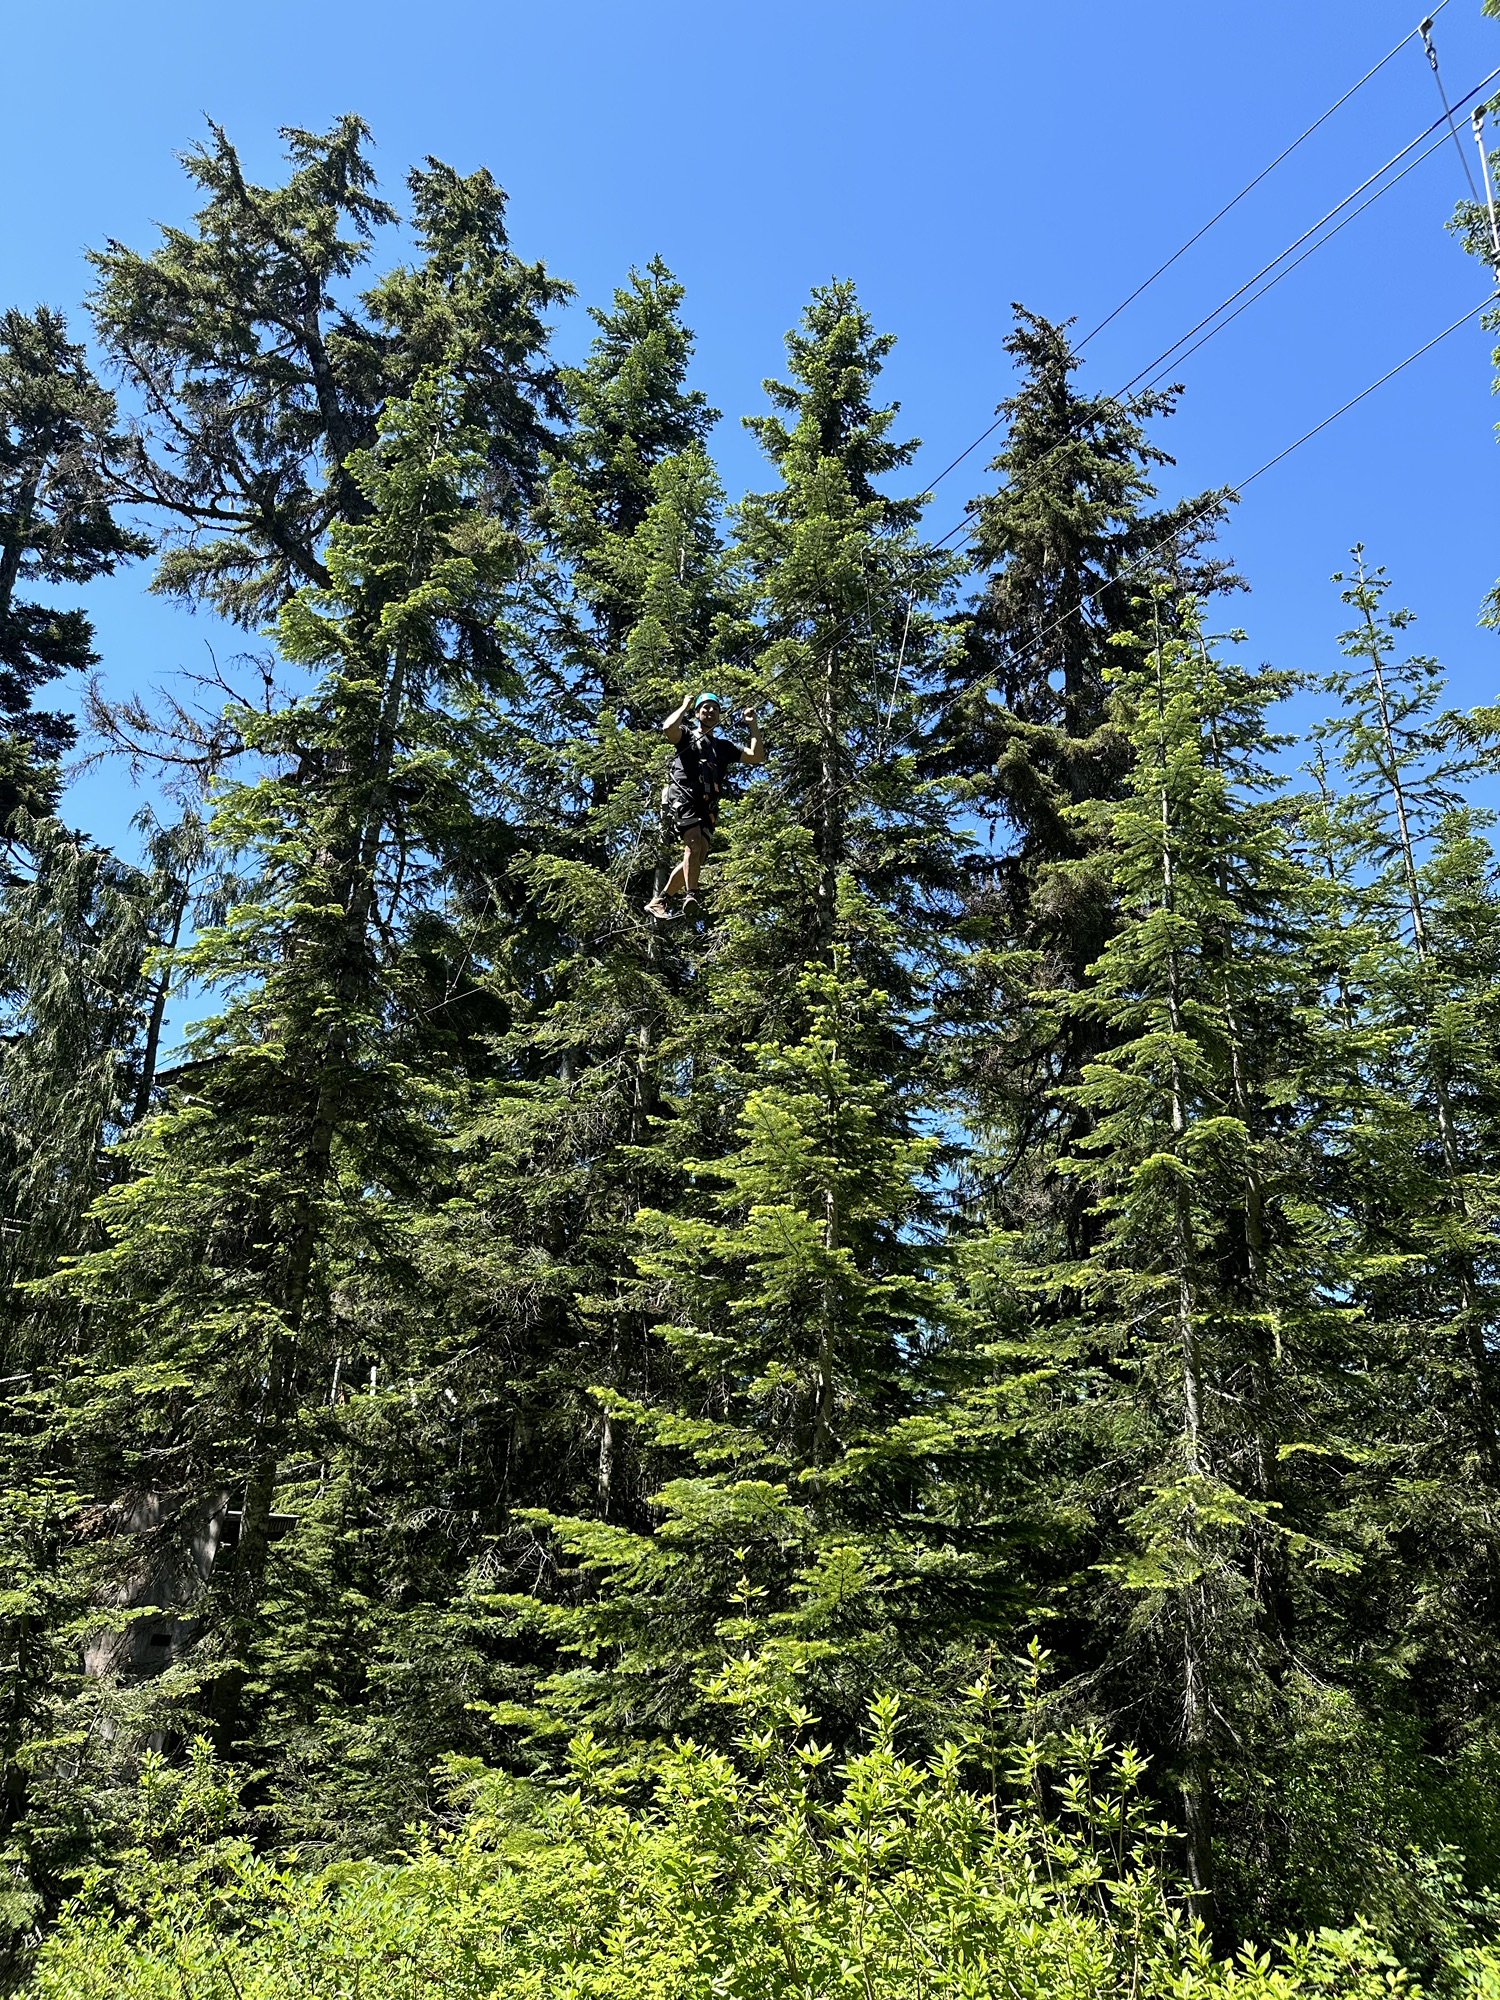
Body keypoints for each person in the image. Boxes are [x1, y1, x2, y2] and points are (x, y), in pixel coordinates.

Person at [644, 691, 765, 919]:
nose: (710, 712)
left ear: (719, 715)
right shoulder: (688, 737)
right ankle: (692, 894)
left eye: (715, 709)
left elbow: (756, 756)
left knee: (697, 857)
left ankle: (661, 899)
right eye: (705, 708)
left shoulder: (723, 746)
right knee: (693, 845)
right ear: (698, 713)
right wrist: (683, 706)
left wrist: (753, 725)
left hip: (707, 806)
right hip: (684, 797)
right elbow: (668, 729)